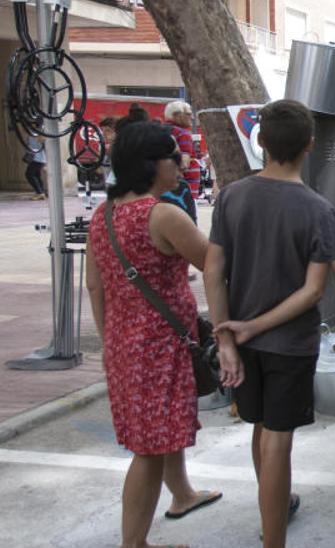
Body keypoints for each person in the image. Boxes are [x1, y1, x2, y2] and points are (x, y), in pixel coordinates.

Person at [204, 99, 335, 548]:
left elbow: (213, 271)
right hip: (289, 342)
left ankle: (275, 506)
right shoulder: (318, 210)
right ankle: (274, 538)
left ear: (261, 141)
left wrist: (230, 335)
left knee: (260, 427)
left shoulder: (232, 195)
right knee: (278, 440)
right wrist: (249, 329)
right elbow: (311, 292)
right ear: (310, 145)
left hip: (243, 338)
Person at [85, 121, 222, 548]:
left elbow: (95, 284)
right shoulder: (161, 214)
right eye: (173, 158)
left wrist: (111, 339)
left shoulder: (103, 216)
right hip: (159, 348)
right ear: (150, 165)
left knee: (159, 431)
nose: (182, 165)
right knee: (148, 449)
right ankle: (135, 544)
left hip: (125, 345)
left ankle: (181, 494)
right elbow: (213, 264)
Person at [162, 101, 199, 223]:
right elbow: (184, 164)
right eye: (188, 114)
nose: (192, 117)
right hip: (182, 189)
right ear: (177, 115)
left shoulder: (159, 130)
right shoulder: (183, 133)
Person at [23, 134, 47, 200]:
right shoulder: (33, 133)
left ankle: (40, 192)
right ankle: (41, 192)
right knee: (37, 175)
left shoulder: (38, 133)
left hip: (37, 159)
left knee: (29, 174)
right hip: (39, 159)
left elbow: (44, 146)